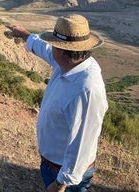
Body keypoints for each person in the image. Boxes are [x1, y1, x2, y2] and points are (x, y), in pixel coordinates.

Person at [8, 14, 108, 192]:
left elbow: (83, 143)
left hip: (66, 177)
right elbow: (43, 48)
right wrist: (24, 34)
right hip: (51, 165)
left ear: (61, 50)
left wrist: (61, 183)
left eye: (54, 44)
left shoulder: (87, 89)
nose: (50, 48)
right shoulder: (69, 63)